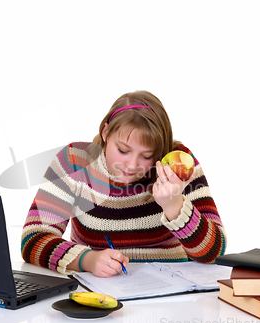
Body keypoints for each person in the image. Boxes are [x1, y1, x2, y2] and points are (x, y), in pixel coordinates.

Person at [21, 91, 226, 277]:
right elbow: (33, 239)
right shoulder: (75, 162)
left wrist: (175, 206)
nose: (132, 165)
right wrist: (87, 260)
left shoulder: (178, 164)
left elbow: (214, 252)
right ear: (105, 133)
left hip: (172, 294)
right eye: (122, 150)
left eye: (147, 155)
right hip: (99, 294)